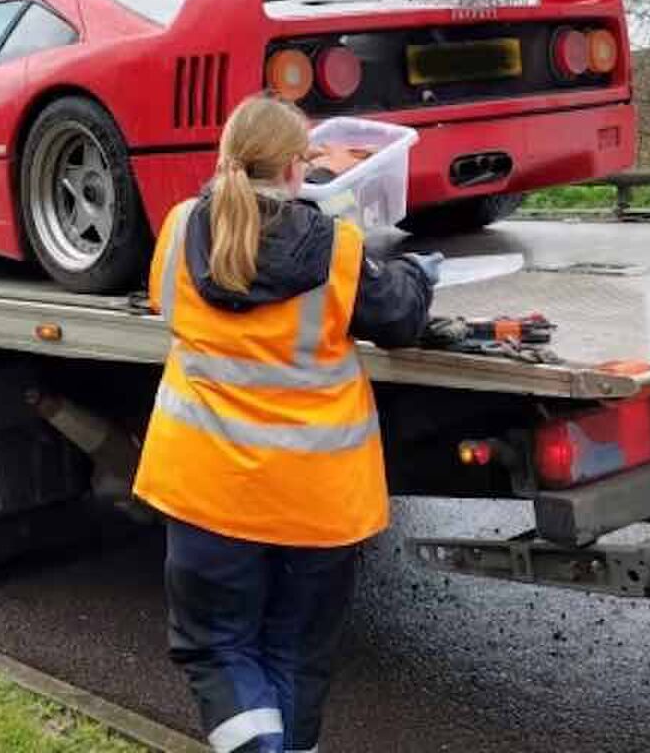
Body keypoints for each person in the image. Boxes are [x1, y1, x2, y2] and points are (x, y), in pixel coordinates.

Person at [133, 94, 440, 753]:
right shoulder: (340, 247)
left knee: (218, 650)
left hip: (204, 491)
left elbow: (166, 308)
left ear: (227, 158)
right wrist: (416, 272)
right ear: (300, 169)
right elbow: (400, 322)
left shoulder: (183, 226)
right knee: (297, 657)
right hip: (317, 501)